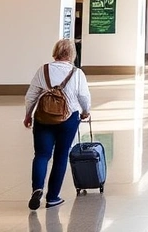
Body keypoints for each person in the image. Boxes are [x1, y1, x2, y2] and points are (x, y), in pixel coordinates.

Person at [23, 39, 91, 210]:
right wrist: (85, 111)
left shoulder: (43, 70)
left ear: (55, 52)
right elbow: (84, 97)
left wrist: (28, 115)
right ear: (72, 54)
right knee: (60, 157)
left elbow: (31, 95)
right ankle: (52, 197)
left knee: (41, 155)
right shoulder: (77, 73)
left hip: (43, 117)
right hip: (68, 118)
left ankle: (37, 188)